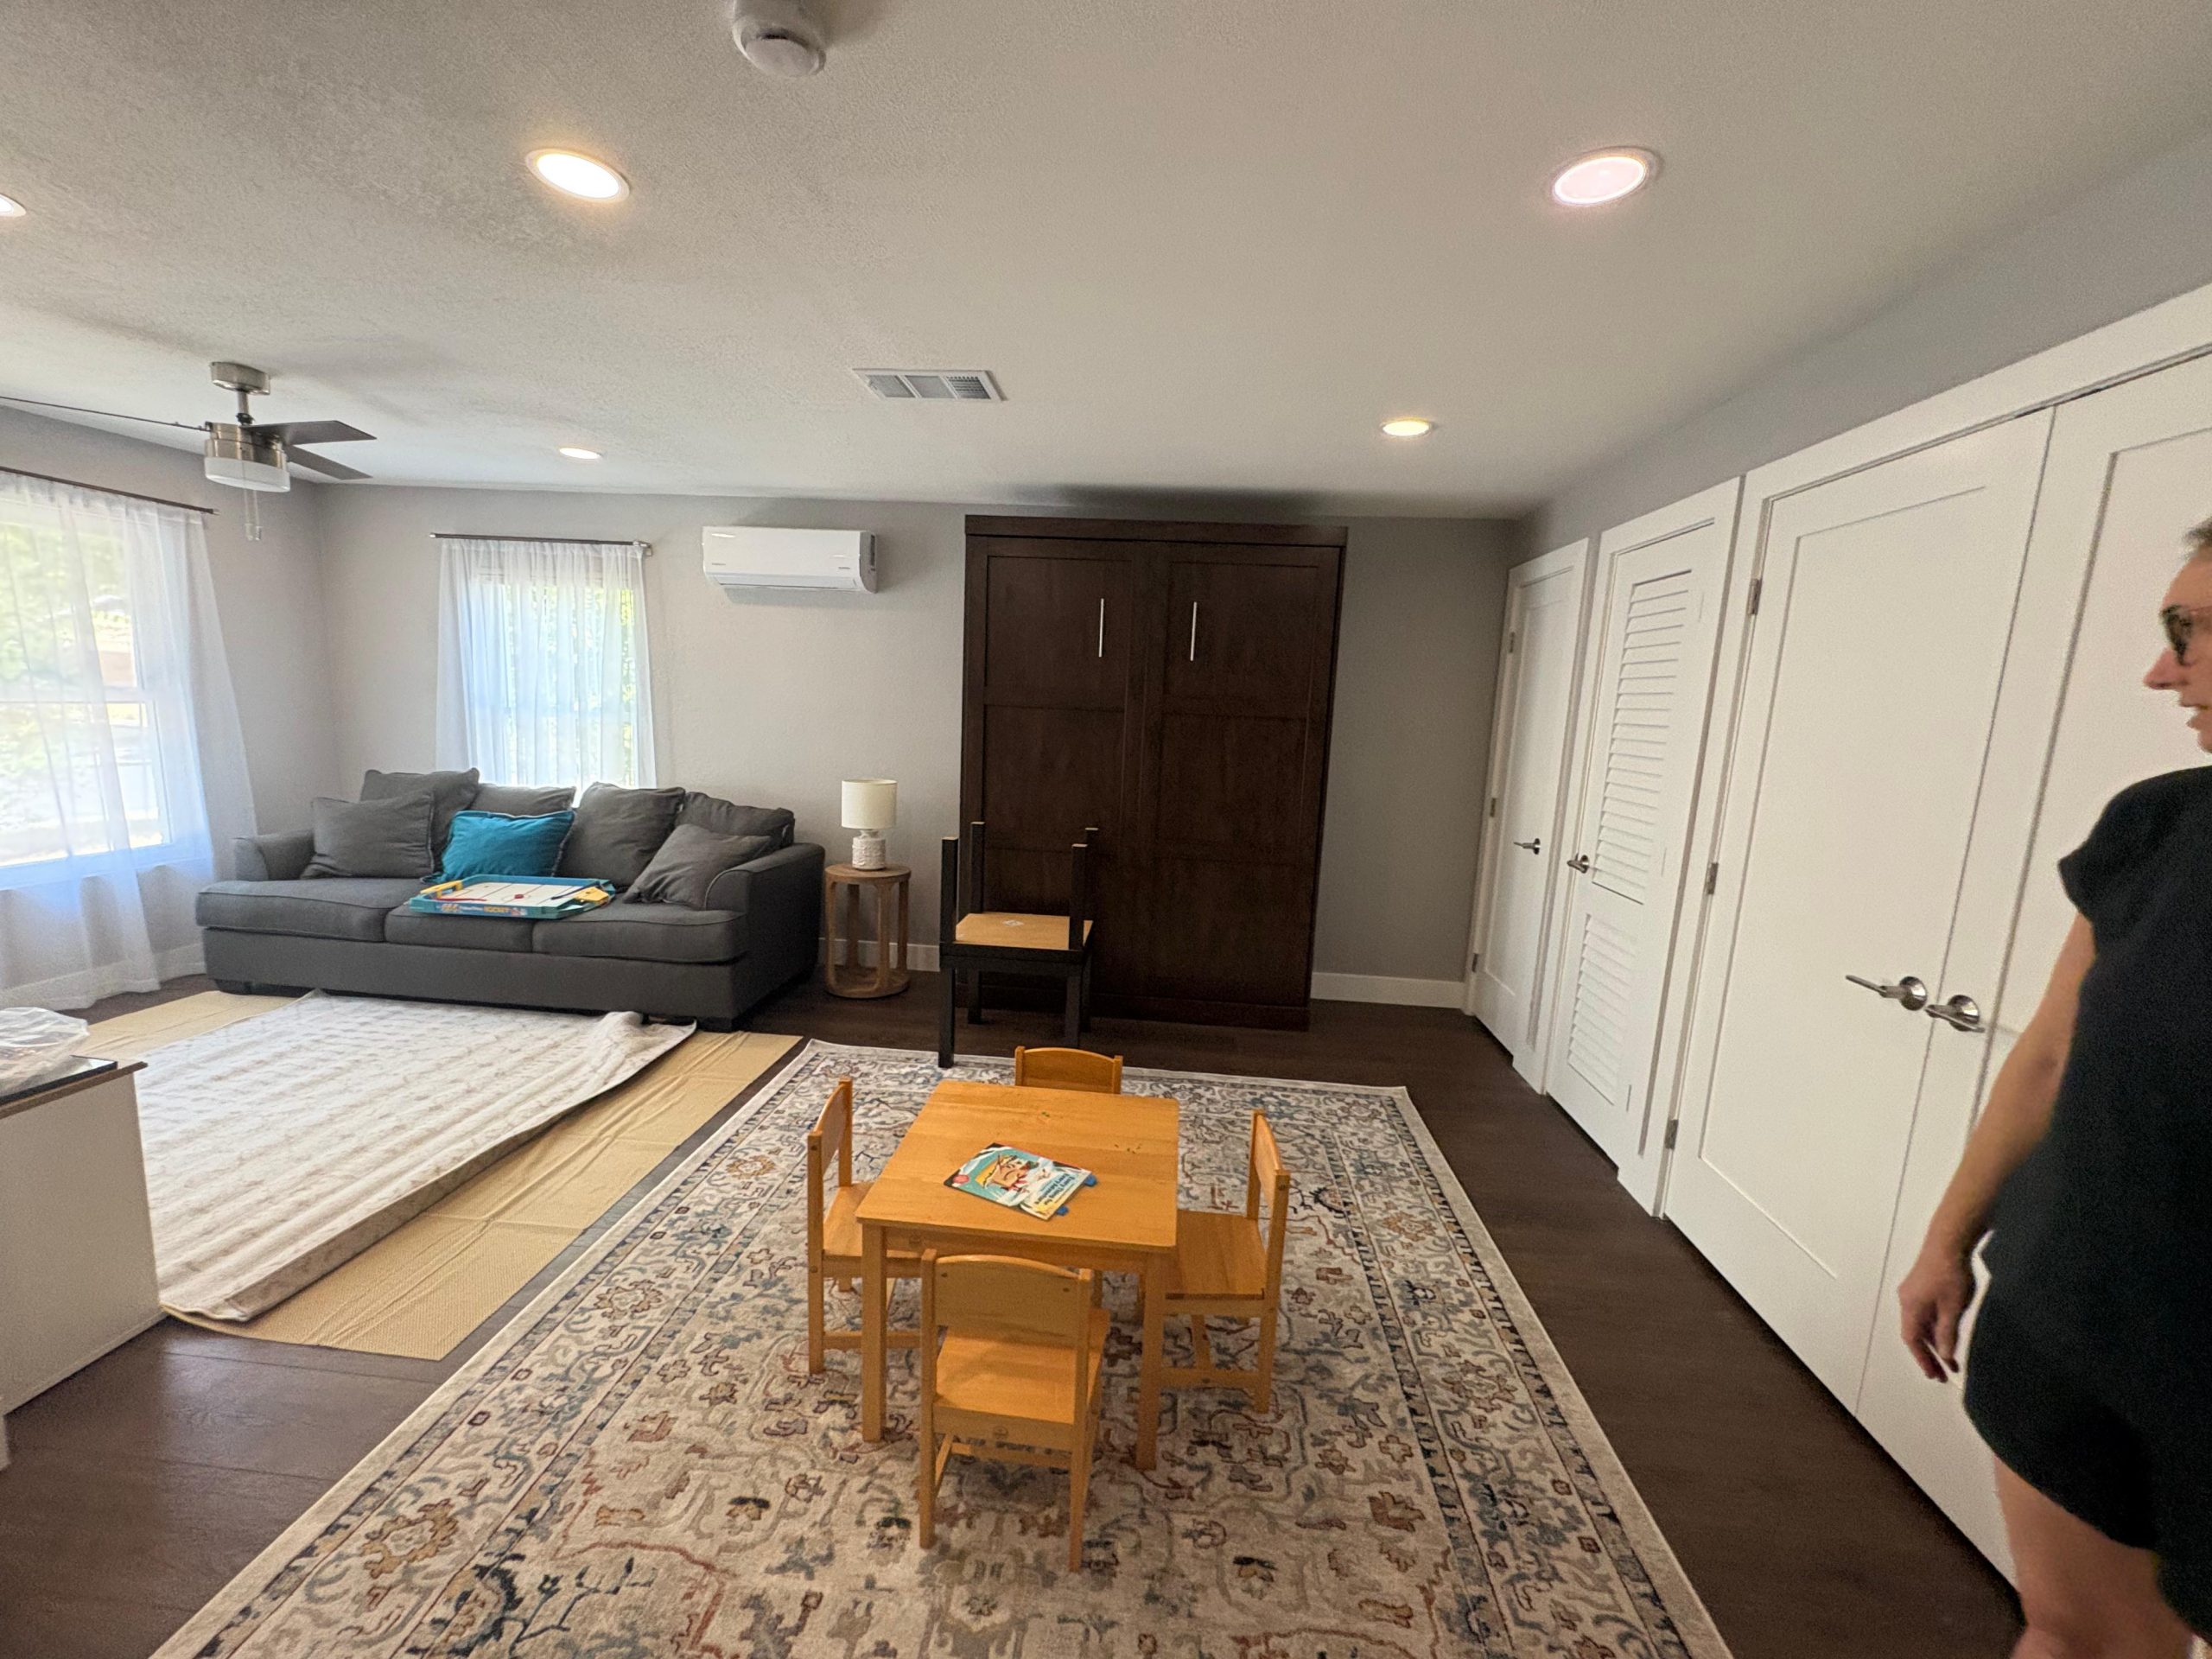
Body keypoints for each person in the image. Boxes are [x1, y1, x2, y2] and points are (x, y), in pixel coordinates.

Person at [1898, 515, 2212, 1657]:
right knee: (2073, 1636)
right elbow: (2047, 1056)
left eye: (2191, 630)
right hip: (2064, 1315)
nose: (2163, 671)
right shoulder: (2156, 827)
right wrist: (1947, 1240)